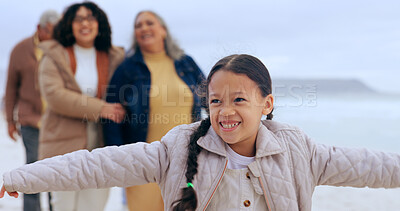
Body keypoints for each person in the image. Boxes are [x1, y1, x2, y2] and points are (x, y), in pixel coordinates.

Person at [2, 54, 400, 211]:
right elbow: (95, 166)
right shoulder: (176, 148)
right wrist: (19, 177)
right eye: (215, 101)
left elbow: (369, 166)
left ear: (268, 103)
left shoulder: (300, 150)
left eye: (239, 100)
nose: (225, 112)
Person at [102, 10, 205, 211]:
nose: (144, 28)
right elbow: (111, 116)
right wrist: (118, 156)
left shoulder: (186, 63)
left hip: (186, 160)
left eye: (149, 23)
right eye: (138, 25)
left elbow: (212, 98)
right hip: (143, 160)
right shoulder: (128, 69)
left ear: (163, 30)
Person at [34, 1, 125, 211]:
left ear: (99, 23)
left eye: (90, 17)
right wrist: (101, 108)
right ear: (69, 24)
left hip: (102, 146)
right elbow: (55, 96)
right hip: (62, 145)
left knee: (93, 207)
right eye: (78, 19)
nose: (85, 23)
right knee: (63, 207)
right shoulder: (54, 54)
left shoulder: (115, 56)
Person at [4, 9, 60, 211]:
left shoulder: (61, 49)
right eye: (52, 31)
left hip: (56, 123)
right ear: (40, 28)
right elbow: (10, 87)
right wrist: (10, 120)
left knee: (57, 172)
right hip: (30, 121)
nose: (55, 36)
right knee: (33, 171)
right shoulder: (20, 49)